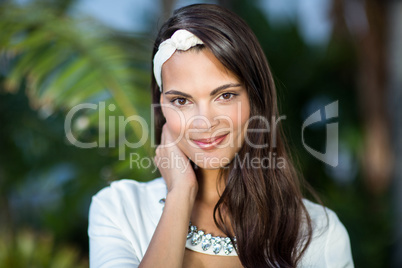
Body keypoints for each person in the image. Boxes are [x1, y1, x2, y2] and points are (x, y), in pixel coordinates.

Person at [88, 4, 354, 268]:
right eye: (181, 100)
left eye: (225, 95)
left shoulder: (320, 234)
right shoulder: (119, 209)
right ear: (161, 108)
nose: (205, 122)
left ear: (255, 99)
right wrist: (180, 193)